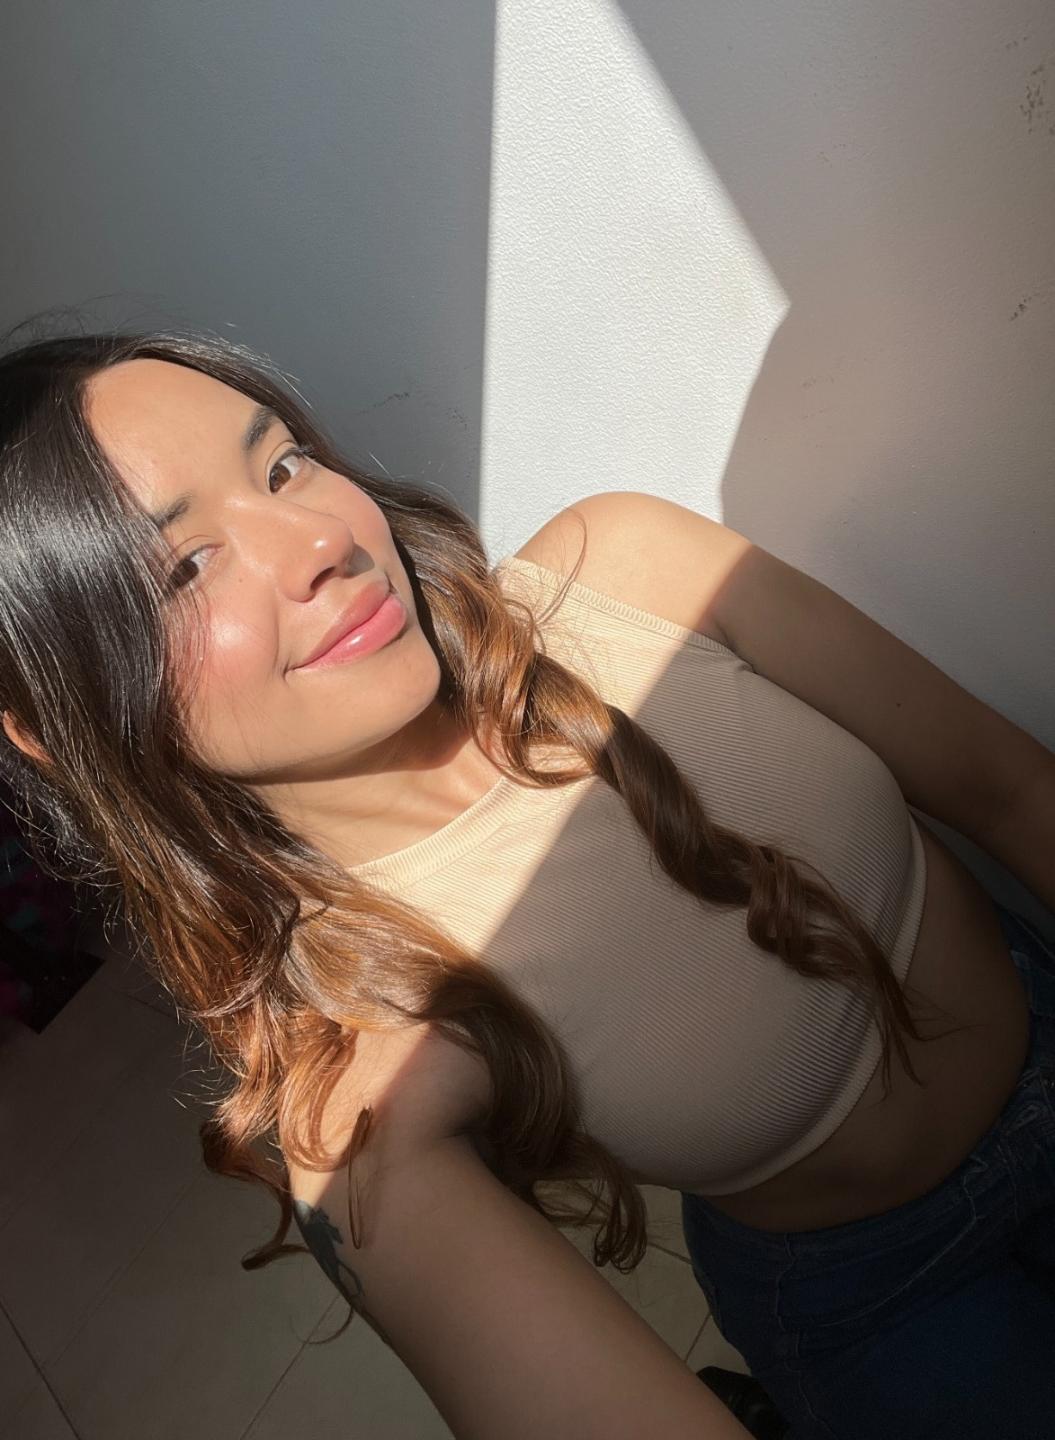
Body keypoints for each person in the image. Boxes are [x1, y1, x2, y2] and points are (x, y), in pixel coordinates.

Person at [0, 321, 1051, 1439]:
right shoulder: (362, 1068)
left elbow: (1010, 791)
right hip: (887, 1301)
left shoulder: (628, 576)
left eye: (283, 465)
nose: (320, 539)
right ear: (57, 726)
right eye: (184, 566)